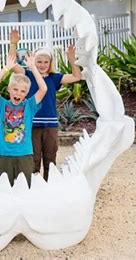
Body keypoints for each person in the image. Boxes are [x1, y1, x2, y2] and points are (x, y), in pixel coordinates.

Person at [8, 29, 82, 181]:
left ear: (50, 63)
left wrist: (72, 59)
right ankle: (33, 187)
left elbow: (76, 76)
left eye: (45, 62)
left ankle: (50, 186)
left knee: (50, 159)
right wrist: (13, 43)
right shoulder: (27, 75)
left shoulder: (55, 77)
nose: (42, 65)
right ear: (33, 62)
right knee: (33, 159)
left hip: (50, 125)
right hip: (31, 124)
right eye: (39, 61)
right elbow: (11, 63)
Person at [0, 52, 47, 187]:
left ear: (26, 94)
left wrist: (33, 68)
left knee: (25, 187)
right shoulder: (2, 105)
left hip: (24, 154)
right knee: (5, 187)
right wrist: (7, 68)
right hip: (5, 154)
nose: (18, 93)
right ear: (9, 89)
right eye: (15, 89)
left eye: (22, 91)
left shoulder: (29, 106)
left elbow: (43, 89)